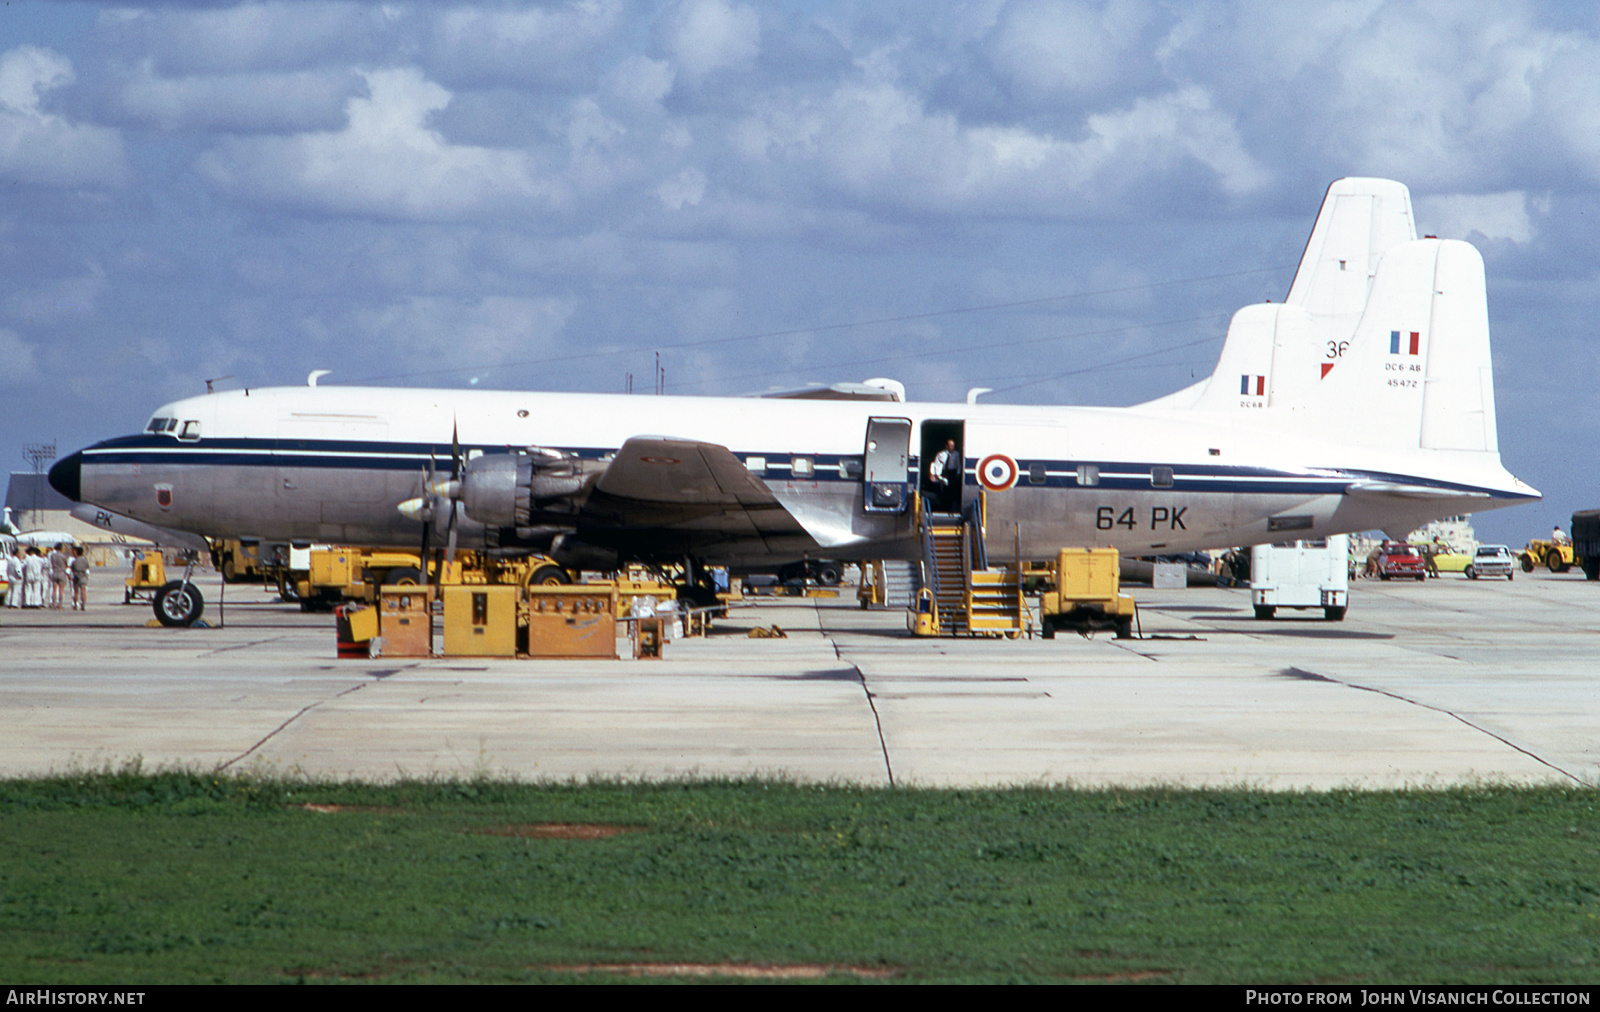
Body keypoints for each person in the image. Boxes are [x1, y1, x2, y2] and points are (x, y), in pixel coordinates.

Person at [928, 438, 961, 512]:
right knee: (943, 490)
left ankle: (951, 508)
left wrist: (958, 474)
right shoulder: (941, 454)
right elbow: (936, 465)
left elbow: (958, 464)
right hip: (944, 472)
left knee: (952, 491)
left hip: (952, 472)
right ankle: (943, 507)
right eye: (950, 446)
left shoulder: (956, 454)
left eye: (953, 446)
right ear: (946, 446)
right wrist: (937, 475)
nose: (952, 447)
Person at [47, 543, 69, 609]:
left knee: (54, 589)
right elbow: (66, 564)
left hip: (55, 572)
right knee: (61, 590)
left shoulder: (52, 556)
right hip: (61, 573)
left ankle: (53, 603)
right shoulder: (63, 556)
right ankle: (60, 604)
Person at [70, 546, 89, 611]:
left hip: (76, 576)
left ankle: (75, 605)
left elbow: (72, 568)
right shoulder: (85, 560)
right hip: (83, 576)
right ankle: (84, 605)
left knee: (76, 592)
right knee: (83, 591)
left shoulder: (74, 561)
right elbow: (87, 567)